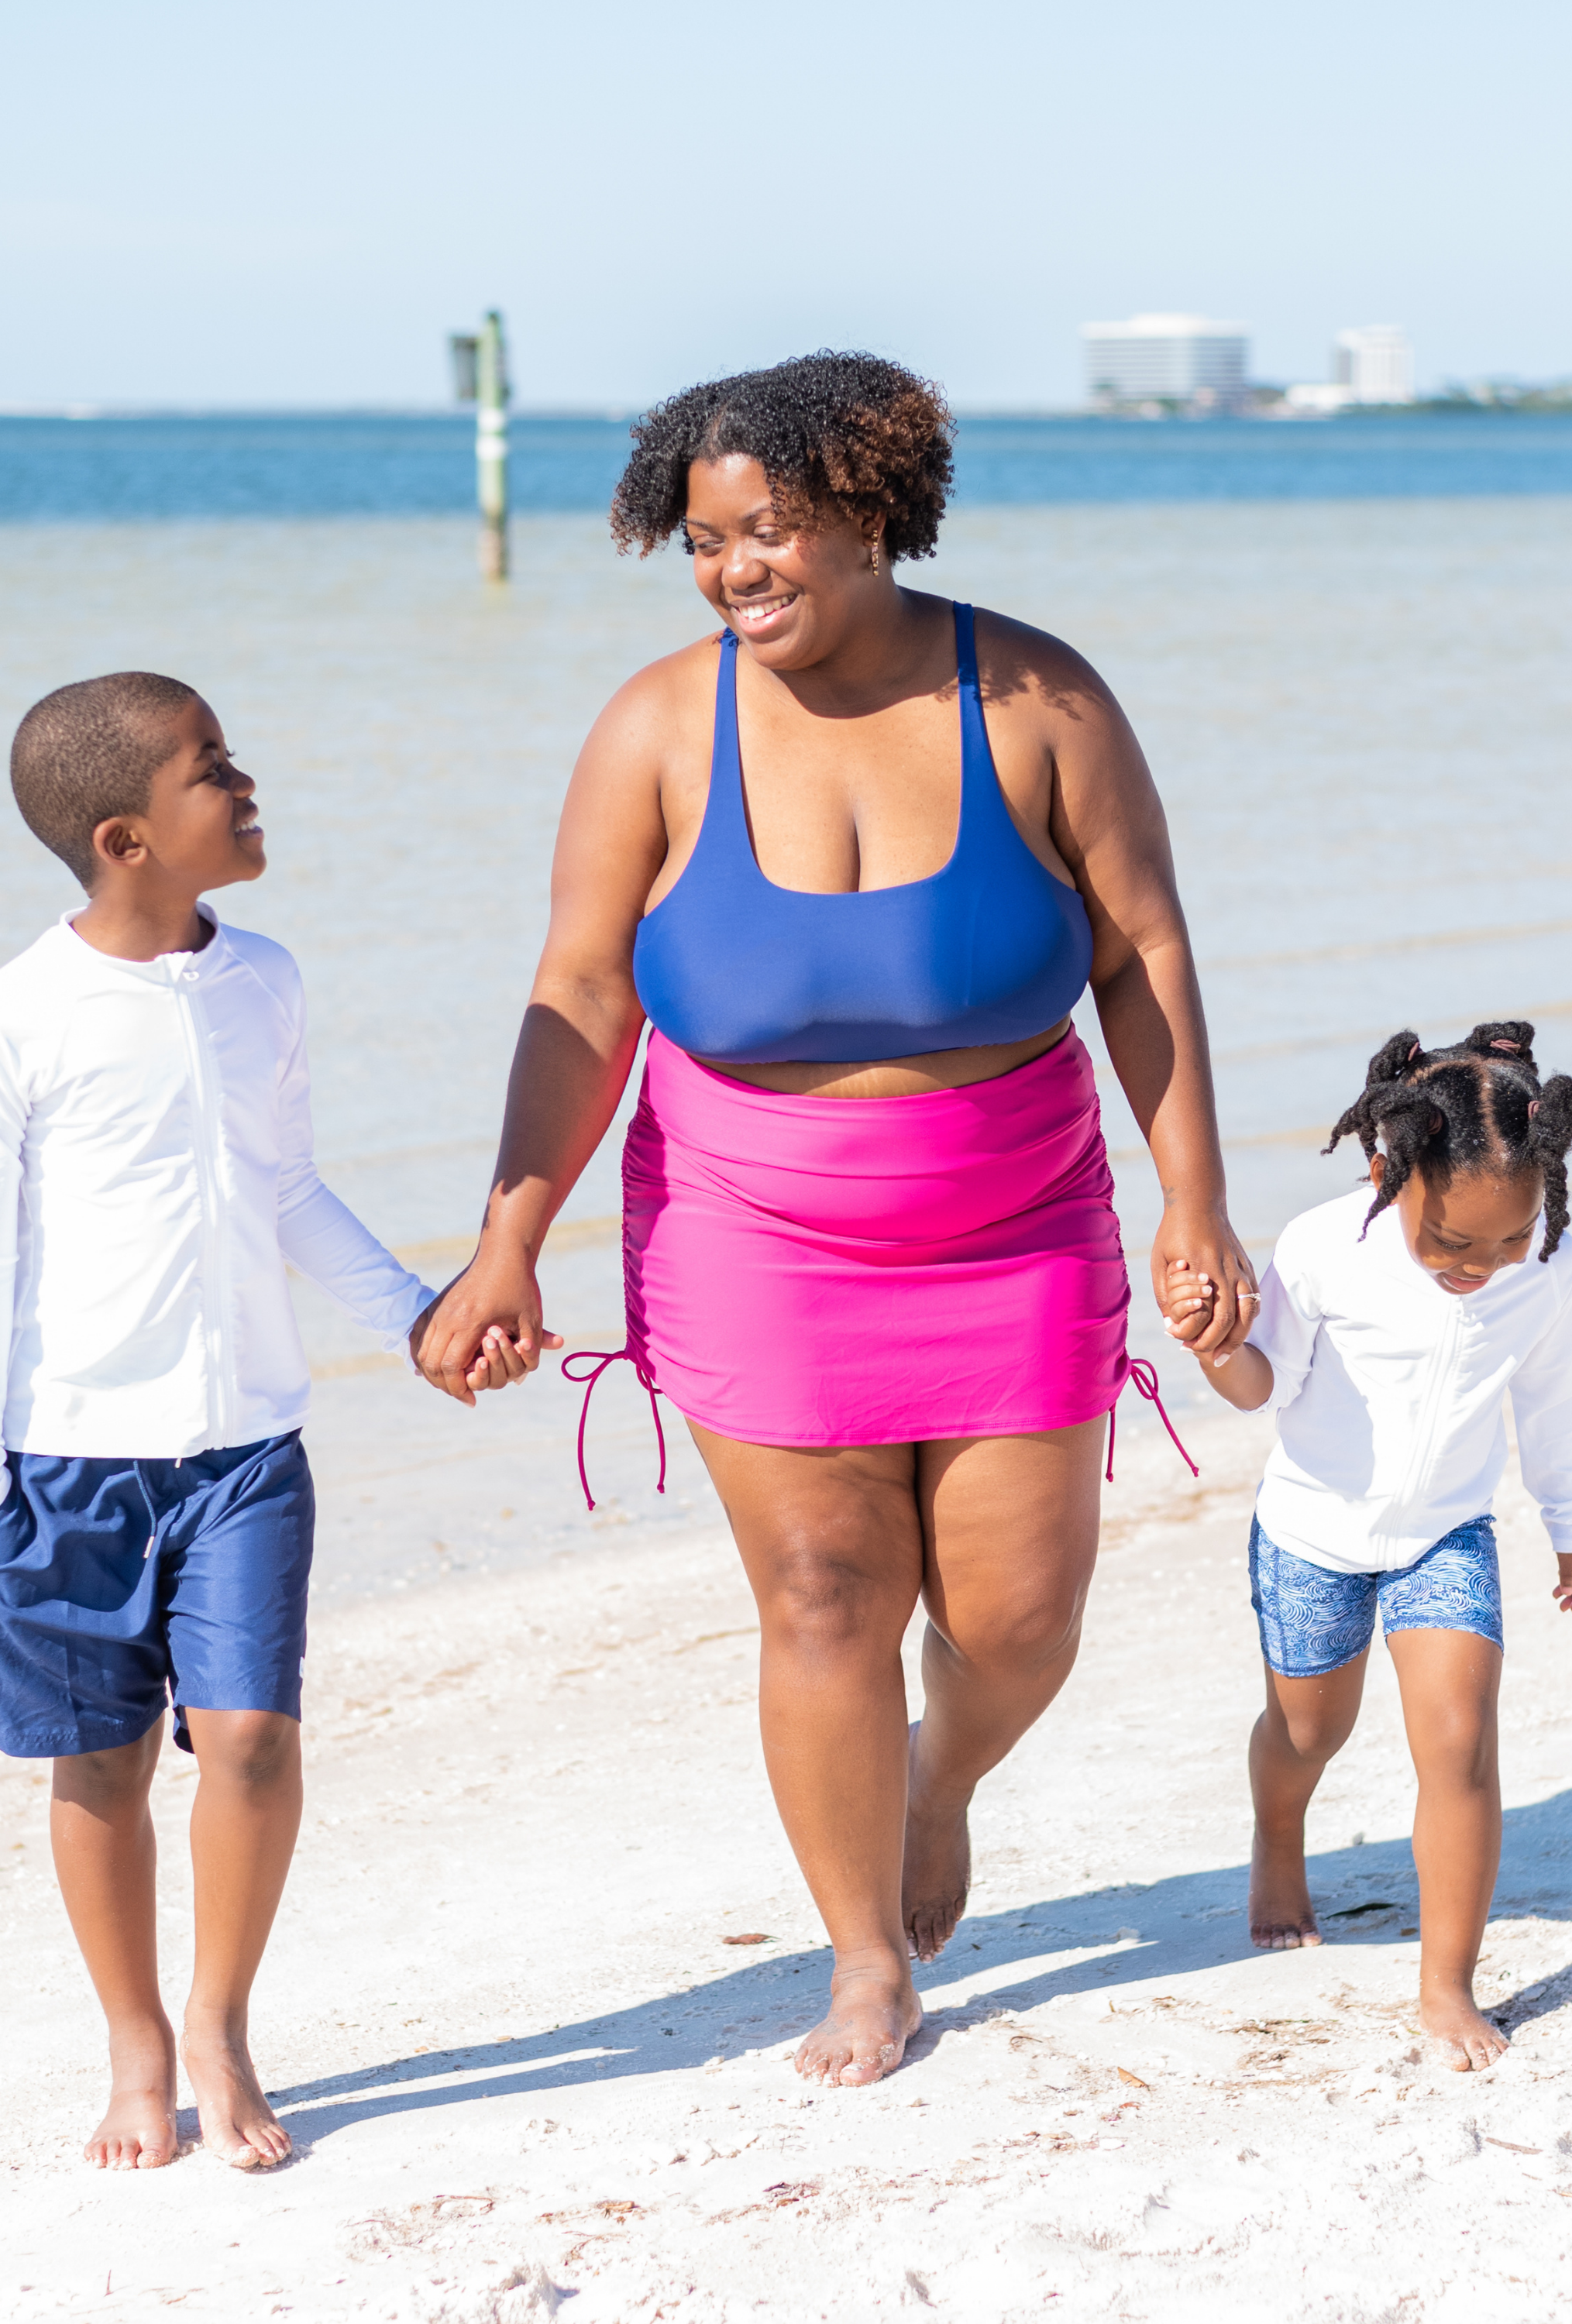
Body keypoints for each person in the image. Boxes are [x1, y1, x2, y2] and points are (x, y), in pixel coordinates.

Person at [417, 352, 1259, 2088]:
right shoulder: (658, 728)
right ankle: (866, 1955)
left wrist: (1196, 1200)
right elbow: (580, 994)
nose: (740, 573)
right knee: (822, 1593)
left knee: (1018, 1619)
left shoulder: (1038, 700)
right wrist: (510, 1235)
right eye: (709, 542)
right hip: (749, 1225)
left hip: (1015, 1214)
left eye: (774, 533)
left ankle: (935, 1778)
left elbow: (1142, 955)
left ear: (874, 513)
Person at [0, 672, 439, 2168]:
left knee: (255, 1741)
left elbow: (285, 1187)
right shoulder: (10, 1021)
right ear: (124, 835)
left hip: (243, 1454)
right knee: (96, 1768)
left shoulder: (265, 980)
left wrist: (413, 1312)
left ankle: (219, 2021)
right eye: (211, 766)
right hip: (62, 1463)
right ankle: (135, 2042)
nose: (245, 780)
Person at [1171, 1021, 1572, 2071]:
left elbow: (1553, 1402)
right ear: (1387, 1172)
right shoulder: (1326, 1247)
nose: (1482, 1266)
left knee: (1459, 1741)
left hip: (1447, 1533)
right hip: (1312, 1533)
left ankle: (1447, 1985)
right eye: (1454, 1243)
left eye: (1506, 1240)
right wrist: (1215, 1344)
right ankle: (1279, 1841)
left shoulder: (1544, 1264)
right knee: (1309, 1731)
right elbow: (1261, 1385)